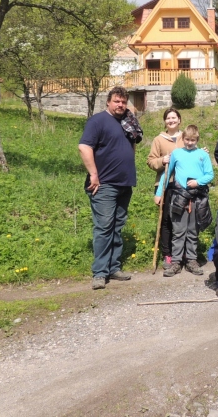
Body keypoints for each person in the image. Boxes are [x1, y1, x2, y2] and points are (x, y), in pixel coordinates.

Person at [78, 86, 140, 290]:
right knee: (104, 227)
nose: (120, 105)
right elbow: (84, 147)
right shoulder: (97, 121)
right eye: (117, 101)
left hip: (124, 183)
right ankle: (100, 272)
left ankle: (113, 267)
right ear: (108, 101)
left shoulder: (127, 122)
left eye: (123, 102)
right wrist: (94, 175)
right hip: (104, 184)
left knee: (117, 226)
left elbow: (131, 147)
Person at [155, 125, 214, 277]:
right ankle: (175, 262)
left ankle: (191, 260)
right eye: (187, 140)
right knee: (178, 230)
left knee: (193, 231)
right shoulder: (177, 154)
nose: (189, 143)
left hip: (197, 197)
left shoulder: (203, 155)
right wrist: (159, 192)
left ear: (197, 139)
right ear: (183, 139)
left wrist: (198, 181)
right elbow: (166, 174)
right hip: (179, 196)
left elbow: (209, 175)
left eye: (192, 140)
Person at [146, 107, 185, 270]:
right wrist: (163, 160)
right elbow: (151, 161)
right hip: (166, 185)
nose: (171, 120)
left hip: (184, 185)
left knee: (183, 220)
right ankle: (167, 254)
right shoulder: (158, 140)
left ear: (179, 120)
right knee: (166, 221)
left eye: (174, 118)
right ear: (165, 121)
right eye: (168, 118)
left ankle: (183, 254)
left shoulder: (186, 137)